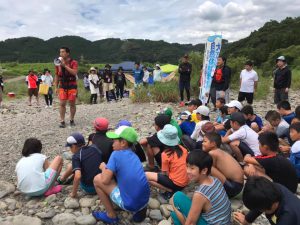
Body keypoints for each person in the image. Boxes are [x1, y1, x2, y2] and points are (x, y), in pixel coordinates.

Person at [92, 126, 150, 224]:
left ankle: (111, 216)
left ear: (123, 143)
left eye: (114, 141)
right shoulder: (134, 155)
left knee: (97, 179)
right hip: (145, 200)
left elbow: (105, 180)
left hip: (130, 205)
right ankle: (139, 211)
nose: (112, 143)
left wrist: (103, 168)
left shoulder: (115, 154)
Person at [171, 150, 231, 225]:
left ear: (204, 170)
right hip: (226, 222)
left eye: (192, 168)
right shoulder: (215, 180)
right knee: (174, 215)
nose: (187, 171)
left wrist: (173, 205)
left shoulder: (200, 194)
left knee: (177, 197)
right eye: (187, 166)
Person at [234, 176, 300, 225]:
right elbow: (258, 201)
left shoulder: (287, 217)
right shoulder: (272, 188)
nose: (260, 210)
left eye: (262, 210)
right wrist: (247, 220)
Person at [146, 124, 189, 200]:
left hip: (176, 184)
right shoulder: (183, 149)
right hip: (185, 182)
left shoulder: (165, 154)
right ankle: (172, 189)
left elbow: (165, 173)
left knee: (145, 176)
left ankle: (170, 190)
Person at [202, 133, 244, 198]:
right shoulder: (220, 151)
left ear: (213, 144)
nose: (202, 143)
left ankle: (210, 188)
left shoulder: (212, 153)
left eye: (204, 141)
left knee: (208, 166)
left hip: (233, 187)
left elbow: (209, 173)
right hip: (238, 186)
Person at [54, 47, 78, 128]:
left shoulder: (73, 62)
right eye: (60, 52)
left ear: (68, 53)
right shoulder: (57, 63)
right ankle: (62, 121)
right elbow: (57, 75)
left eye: (63, 52)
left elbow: (74, 72)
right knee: (62, 103)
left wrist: (65, 66)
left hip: (72, 85)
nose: (61, 53)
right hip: (62, 85)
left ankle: (71, 119)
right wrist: (55, 87)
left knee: (72, 103)